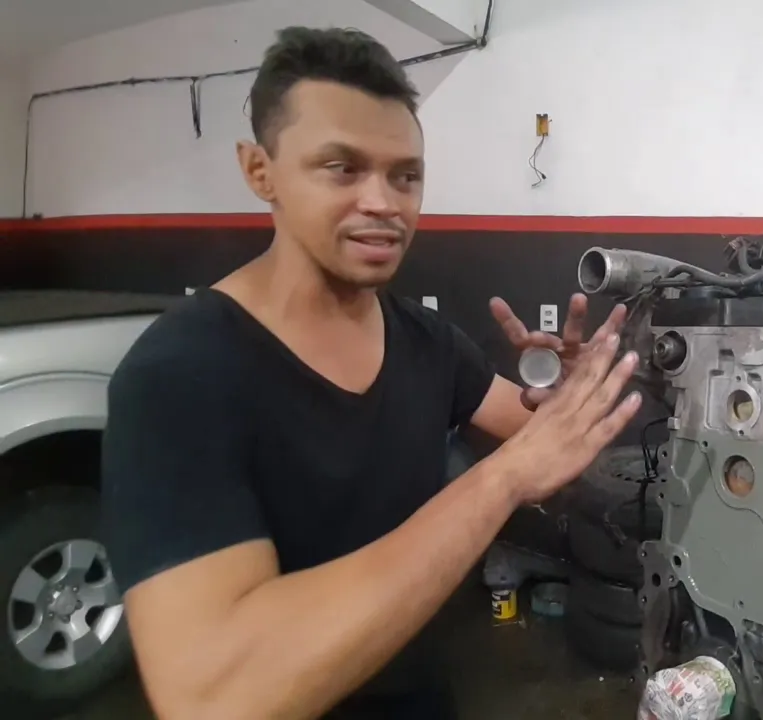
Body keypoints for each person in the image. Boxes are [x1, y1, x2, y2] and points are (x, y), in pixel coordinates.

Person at [100, 26, 641, 720]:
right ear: (260, 171)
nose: (384, 202)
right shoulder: (178, 374)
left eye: (405, 175)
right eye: (342, 168)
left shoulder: (428, 342)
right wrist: (500, 479)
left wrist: (564, 407)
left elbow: (538, 442)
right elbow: (216, 693)